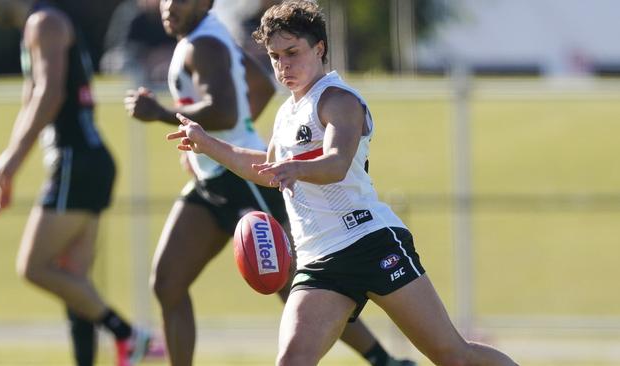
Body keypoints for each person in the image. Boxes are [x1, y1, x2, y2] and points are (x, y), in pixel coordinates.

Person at [166, 1, 520, 365]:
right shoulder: (287, 112)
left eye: (292, 53)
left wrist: (295, 170)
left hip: (370, 242)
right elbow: (266, 168)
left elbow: (336, 162)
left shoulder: (338, 100)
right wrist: (209, 144)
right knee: (292, 360)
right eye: (274, 57)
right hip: (318, 261)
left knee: (452, 356)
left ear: (319, 48)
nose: (283, 65)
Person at [124, 1, 415, 365]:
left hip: (253, 184)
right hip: (214, 178)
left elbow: (229, 110)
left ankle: (382, 358)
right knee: (168, 280)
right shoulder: (209, 42)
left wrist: (163, 115)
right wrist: (208, 147)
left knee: (289, 276)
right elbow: (260, 88)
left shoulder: (206, 44)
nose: (170, 6)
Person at [0, 1, 151, 365]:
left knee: (34, 266)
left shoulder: (45, 23)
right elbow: (32, 98)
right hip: (84, 161)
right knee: (75, 283)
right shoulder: (38, 26)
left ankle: (128, 335)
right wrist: (11, 166)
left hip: (77, 161)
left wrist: (12, 159)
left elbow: (50, 95)